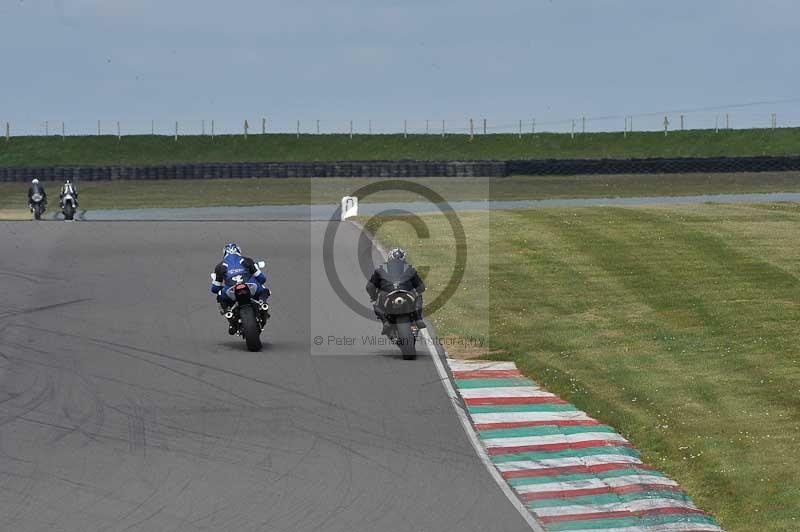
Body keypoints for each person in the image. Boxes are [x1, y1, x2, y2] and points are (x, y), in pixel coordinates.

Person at [210, 243, 271, 335]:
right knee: (264, 290)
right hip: (250, 286)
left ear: (224, 253)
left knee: (220, 296)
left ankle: (229, 315)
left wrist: (218, 283)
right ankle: (262, 303)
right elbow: (262, 279)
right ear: (238, 251)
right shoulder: (247, 260)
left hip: (231, 289)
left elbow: (215, 289)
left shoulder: (219, 266)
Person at [366, 247, 426, 333]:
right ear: (404, 258)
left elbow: (369, 287)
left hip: (387, 294)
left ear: (390, 257)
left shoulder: (381, 269)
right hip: (406, 294)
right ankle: (418, 319)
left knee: (376, 304)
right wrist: (416, 293)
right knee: (418, 296)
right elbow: (421, 287)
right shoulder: (409, 268)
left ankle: (385, 322)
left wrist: (374, 297)